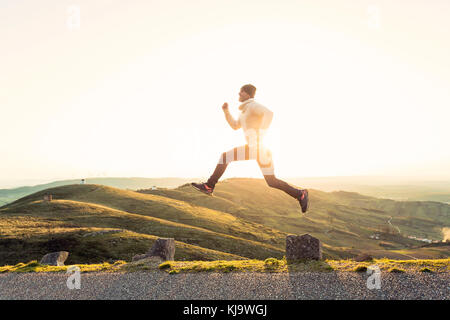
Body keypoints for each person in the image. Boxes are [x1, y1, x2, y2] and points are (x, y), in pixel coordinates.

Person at [191, 84, 309, 213]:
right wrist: (226, 112)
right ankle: (300, 194)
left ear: (247, 94)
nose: (238, 95)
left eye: (240, 92)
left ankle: (209, 186)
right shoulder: (244, 111)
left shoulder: (253, 106)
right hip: (260, 150)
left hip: (257, 148)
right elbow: (235, 126)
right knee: (272, 181)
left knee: (226, 157)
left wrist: (261, 134)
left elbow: (269, 113)